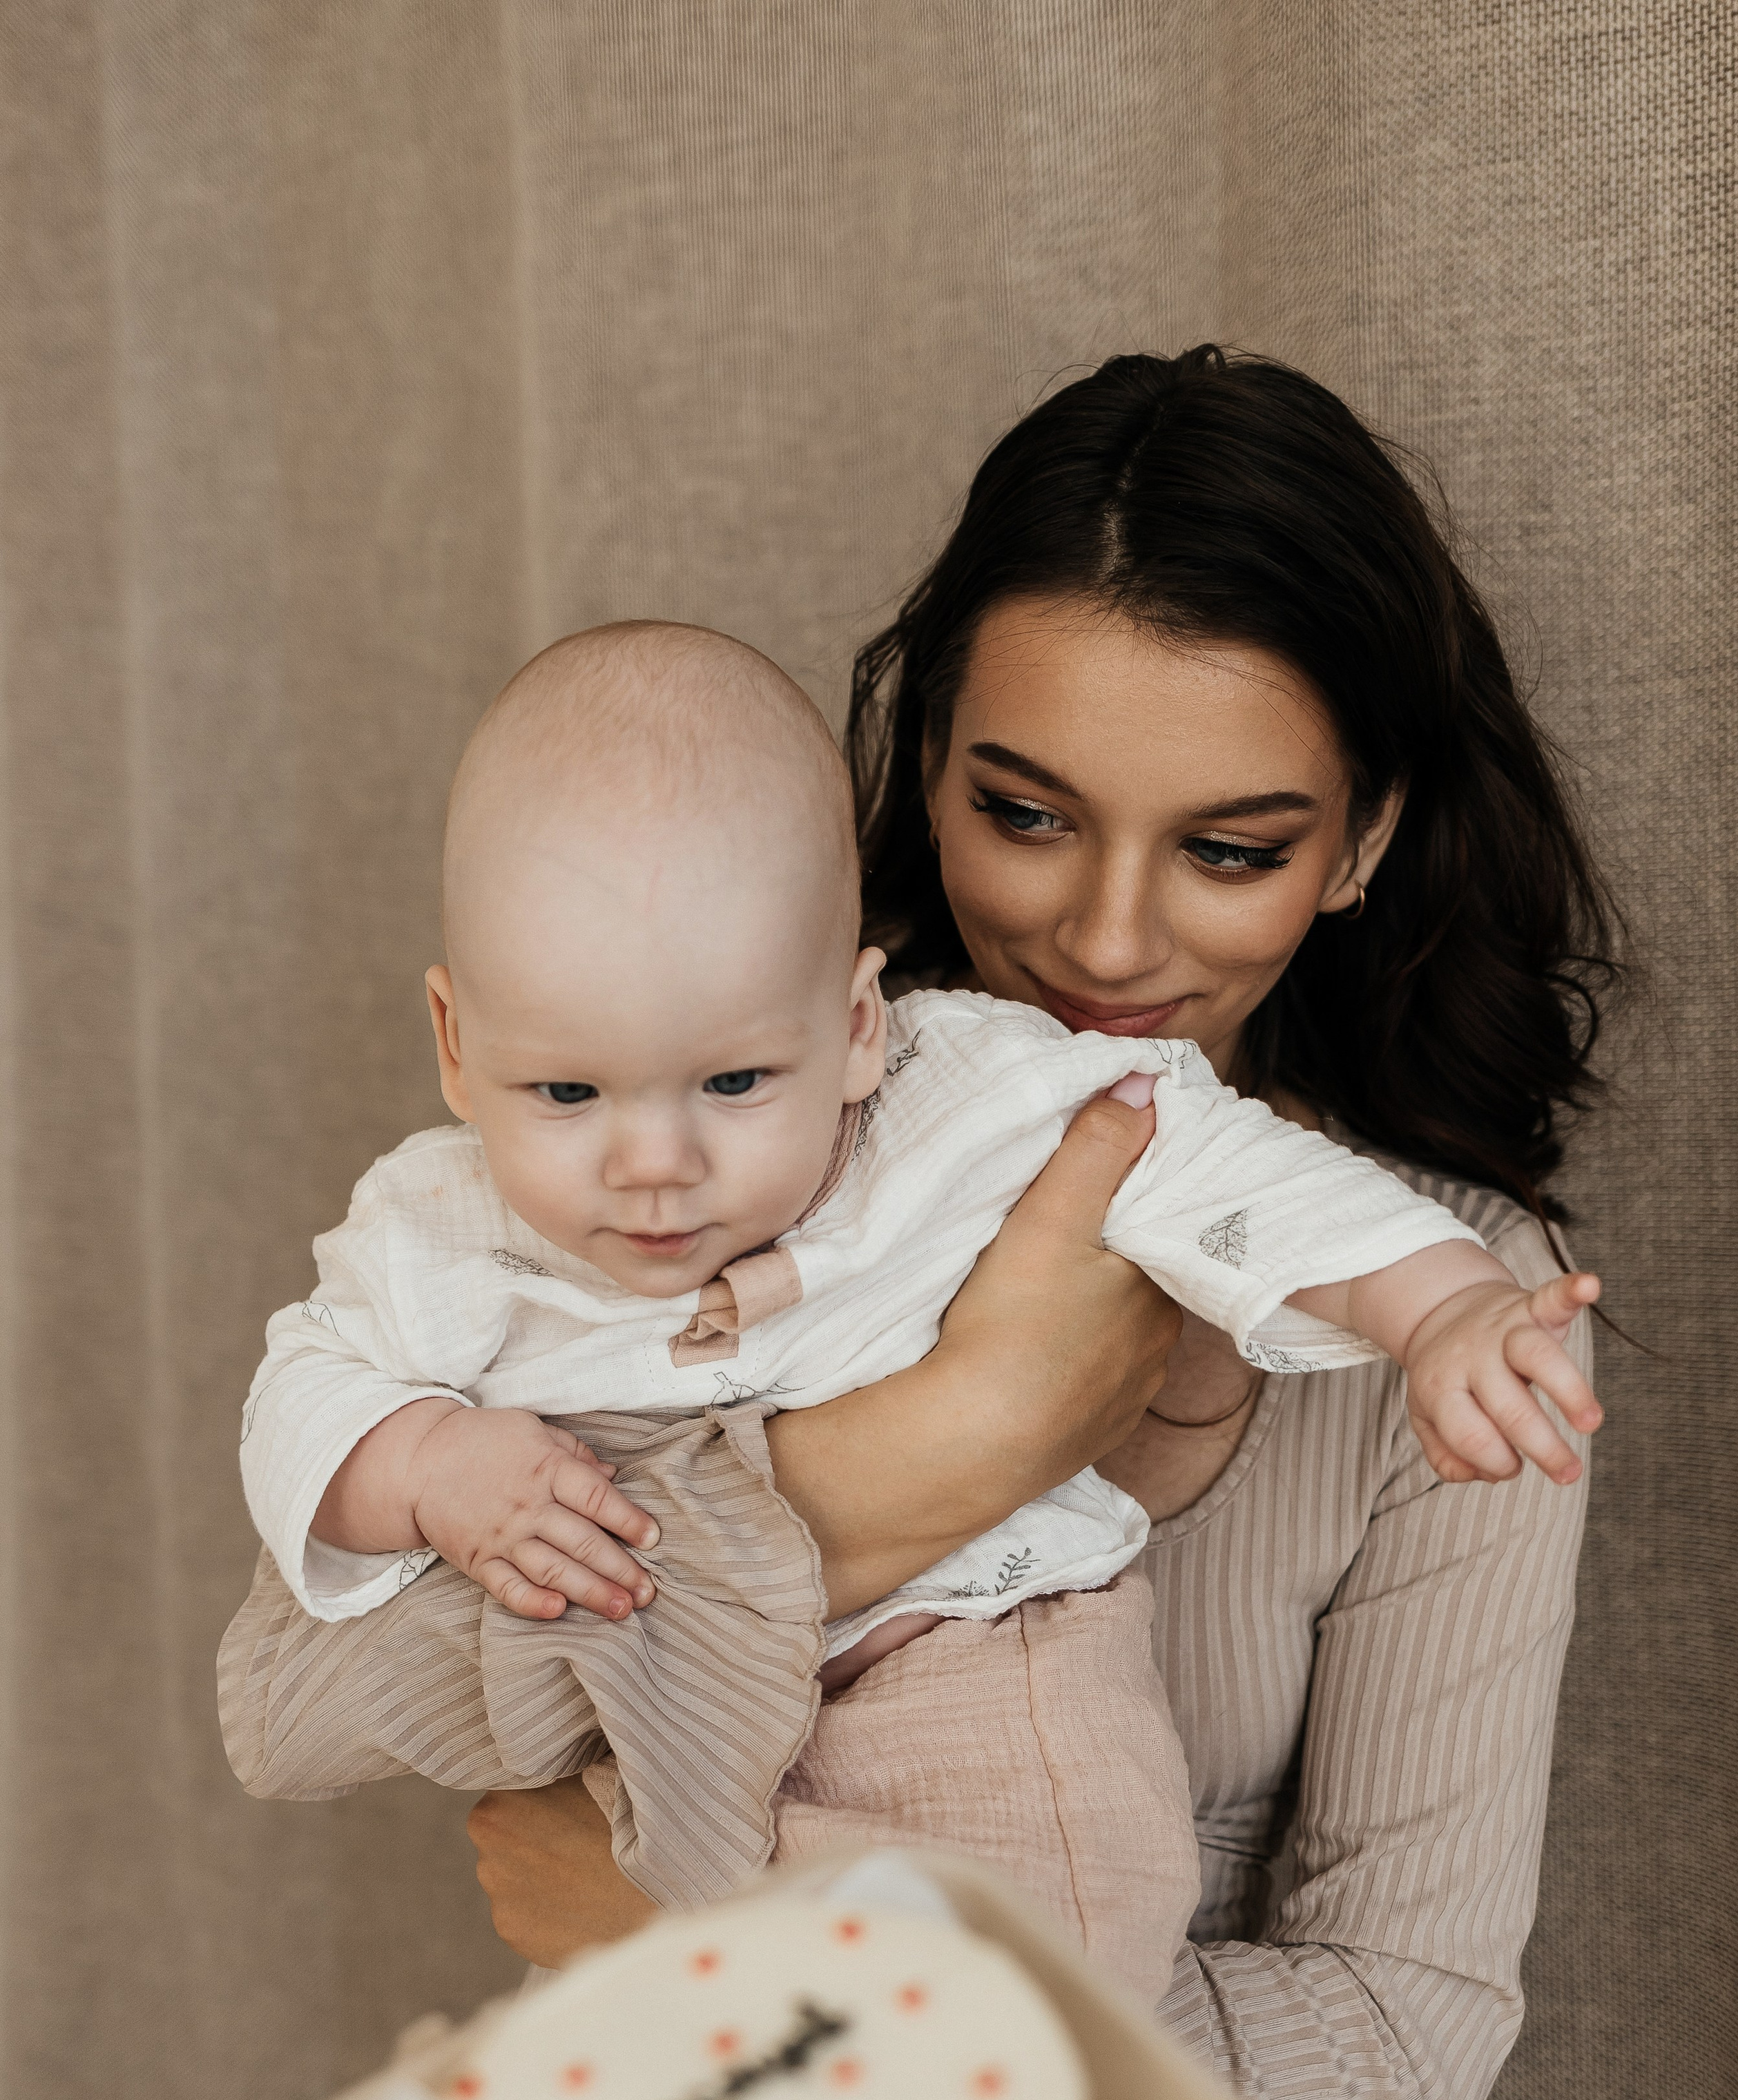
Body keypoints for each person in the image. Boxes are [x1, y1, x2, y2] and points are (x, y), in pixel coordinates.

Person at [454, 347, 1616, 2100]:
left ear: (1370, 840)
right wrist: (955, 1441)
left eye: (1234, 847)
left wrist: (781, 1985)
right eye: (1026, 813)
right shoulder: (677, 1155)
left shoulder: (1459, 1333)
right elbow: (428, 1705)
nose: (1102, 943)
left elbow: (1397, 2077)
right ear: (918, 774)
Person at [222, 621, 1596, 2007]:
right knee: (638, 2074)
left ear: (860, 1023)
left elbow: (1237, 1174)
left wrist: (1442, 1314)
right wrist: (423, 1462)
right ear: (459, 1048)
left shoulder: (973, 1100)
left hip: (967, 1657)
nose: (653, 1166)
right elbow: (308, 1404)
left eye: (737, 1084)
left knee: (1057, 1928)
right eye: (567, 1095)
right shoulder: (440, 1222)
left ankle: (826, 2055)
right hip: (669, 1740)